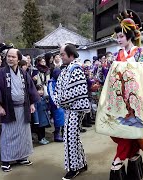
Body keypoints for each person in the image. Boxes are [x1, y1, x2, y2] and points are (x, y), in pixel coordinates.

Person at [95, 10, 143, 180]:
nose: (118, 39)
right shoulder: (118, 55)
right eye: (117, 36)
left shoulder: (140, 52)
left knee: (129, 131)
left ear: (129, 36)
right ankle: (133, 159)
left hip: (137, 98)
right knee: (122, 130)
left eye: (121, 36)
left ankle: (118, 160)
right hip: (120, 99)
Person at [0, 49, 40, 172]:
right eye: (8, 56)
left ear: (18, 59)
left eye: (13, 57)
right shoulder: (1, 73)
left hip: (23, 108)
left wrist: (32, 104)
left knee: (24, 135)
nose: (10, 59)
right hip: (9, 109)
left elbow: (30, 89)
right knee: (8, 135)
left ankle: (22, 157)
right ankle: (6, 161)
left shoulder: (24, 73)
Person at [51, 44, 90, 179]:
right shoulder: (68, 69)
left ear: (71, 55)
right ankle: (82, 163)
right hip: (70, 108)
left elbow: (75, 91)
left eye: (62, 54)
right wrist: (58, 98)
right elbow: (58, 88)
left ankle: (74, 168)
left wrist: (59, 100)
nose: (61, 57)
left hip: (75, 108)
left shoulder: (76, 68)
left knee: (70, 138)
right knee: (73, 137)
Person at [48, 68, 65, 142]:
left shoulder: (61, 81)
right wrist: (56, 103)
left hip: (63, 103)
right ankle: (57, 135)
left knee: (64, 119)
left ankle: (64, 134)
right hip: (56, 104)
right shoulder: (51, 82)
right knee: (58, 120)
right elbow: (51, 94)